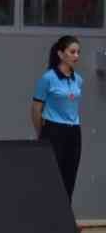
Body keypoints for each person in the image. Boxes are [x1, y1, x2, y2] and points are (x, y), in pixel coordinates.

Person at [33, 35, 83, 201]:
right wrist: (42, 133)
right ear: (61, 54)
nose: (76, 56)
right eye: (72, 52)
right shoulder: (48, 78)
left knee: (70, 176)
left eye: (78, 52)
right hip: (54, 130)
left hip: (74, 132)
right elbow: (36, 109)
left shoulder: (78, 80)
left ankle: (65, 213)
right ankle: (48, 214)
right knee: (52, 178)